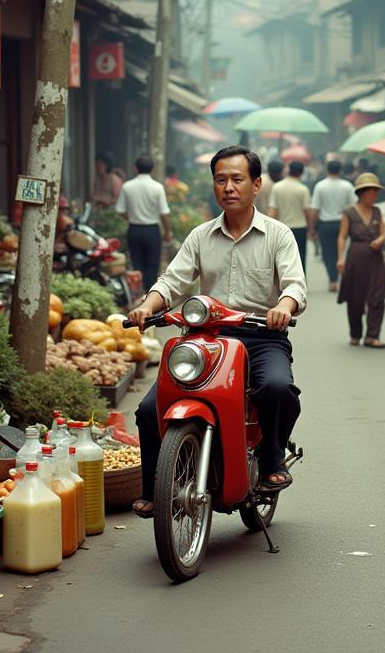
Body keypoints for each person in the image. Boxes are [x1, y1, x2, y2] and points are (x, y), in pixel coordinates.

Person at [128, 146, 306, 515]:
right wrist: (148, 305)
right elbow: (172, 281)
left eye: (237, 179)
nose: (228, 187)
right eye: (221, 179)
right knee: (149, 409)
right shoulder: (200, 236)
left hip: (261, 336)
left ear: (256, 185)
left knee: (277, 388)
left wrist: (282, 308)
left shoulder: (278, 235)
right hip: (206, 339)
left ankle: (272, 459)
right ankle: (154, 489)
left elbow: (294, 286)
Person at [337, 172, 385, 348]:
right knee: (355, 298)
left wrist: (380, 240)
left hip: (375, 259)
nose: (375, 196)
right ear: (362, 193)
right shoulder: (349, 213)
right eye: (372, 192)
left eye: (376, 192)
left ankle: (372, 336)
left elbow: (383, 233)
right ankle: (356, 333)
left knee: (377, 296)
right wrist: (340, 258)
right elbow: (342, 237)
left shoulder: (377, 211)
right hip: (356, 259)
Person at [116, 155, 172, 292]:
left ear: (135, 169)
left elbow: (120, 210)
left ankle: (138, 294)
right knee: (152, 264)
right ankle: (151, 293)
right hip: (152, 230)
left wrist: (132, 218)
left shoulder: (127, 186)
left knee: (137, 263)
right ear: (152, 169)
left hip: (134, 230)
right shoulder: (157, 187)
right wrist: (167, 231)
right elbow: (164, 212)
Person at [310, 159, 356, 293]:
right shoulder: (347, 186)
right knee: (342, 251)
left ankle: (333, 279)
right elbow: (353, 206)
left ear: (327, 170)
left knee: (327, 253)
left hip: (325, 224)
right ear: (340, 170)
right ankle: (343, 277)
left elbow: (315, 209)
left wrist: (312, 227)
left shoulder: (320, 186)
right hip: (343, 222)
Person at [269, 161, 314, 269]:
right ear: (302, 173)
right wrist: (311, 229)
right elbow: (308, 211)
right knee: (300, 259)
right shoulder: (303, 189)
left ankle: (282, 284)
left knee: (281, 260)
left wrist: (268, 229)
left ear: (288, 170)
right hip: (300, 229)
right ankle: (299, 284)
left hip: (281, 229)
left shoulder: (277, 187)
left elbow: (272, 211)